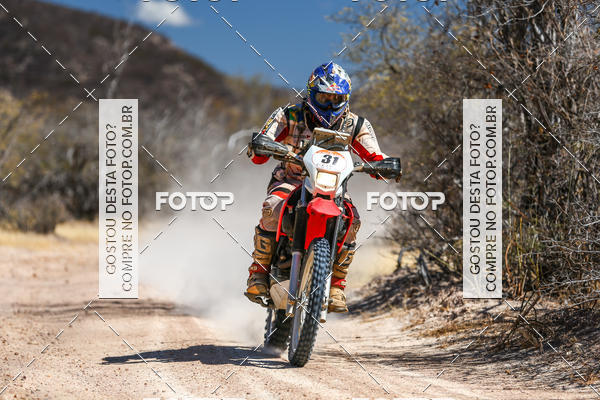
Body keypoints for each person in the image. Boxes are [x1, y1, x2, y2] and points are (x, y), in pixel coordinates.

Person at [245, 62, 393, 313]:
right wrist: (261, 145)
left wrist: (385, 165)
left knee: (353, 221)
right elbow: (262, 145)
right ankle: (258, 274)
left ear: (346, 99)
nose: (330, 105)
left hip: (334, 188)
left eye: (337, 99)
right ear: (311, 93)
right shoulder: (289, 115)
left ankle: (336, 286)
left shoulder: (356, 124)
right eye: (324, 97)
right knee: (273, 205)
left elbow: (375, 155)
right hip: (290, 180)